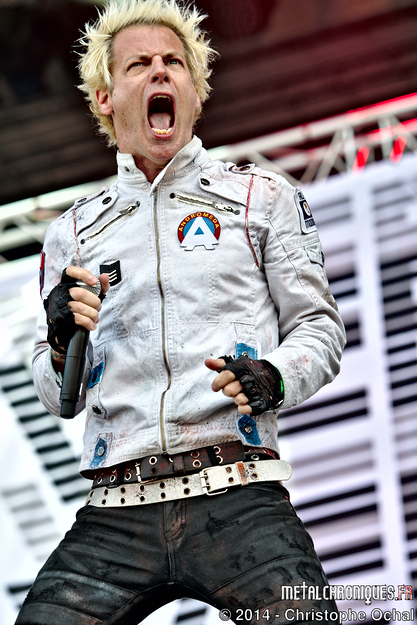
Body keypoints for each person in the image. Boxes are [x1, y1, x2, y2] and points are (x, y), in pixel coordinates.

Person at [16, 1, 346, 623]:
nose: (160, 72)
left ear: (195, 94)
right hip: (115, 513)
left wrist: (274, 376)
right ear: (105, 98)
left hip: (240, 494)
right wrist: (60, 344)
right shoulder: (73, 234)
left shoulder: (260, 197)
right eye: (139, 64)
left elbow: (319, 326)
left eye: (174, 62)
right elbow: (58, 397)